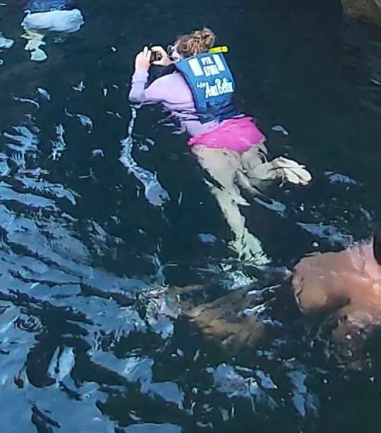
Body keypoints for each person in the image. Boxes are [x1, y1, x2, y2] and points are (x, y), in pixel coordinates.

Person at [131, 28, 310, 265]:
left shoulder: (164, 85)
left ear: (177, 58)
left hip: (212, 142)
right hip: (244, 130)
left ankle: (245, 242)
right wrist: (170, 63)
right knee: (256, 181)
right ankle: (278, 167)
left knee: (226, 195)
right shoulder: (217, 74)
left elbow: (136, 98)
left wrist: (141, 71)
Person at [181, 217, 381, 350]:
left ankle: (179, 302)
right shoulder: (378, 296)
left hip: (289, 275)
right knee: (235, 332)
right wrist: (353, 363)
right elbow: (344, 335)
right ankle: (187, 317)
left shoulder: (374, 247)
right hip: (291, 312)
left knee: (232, 299)